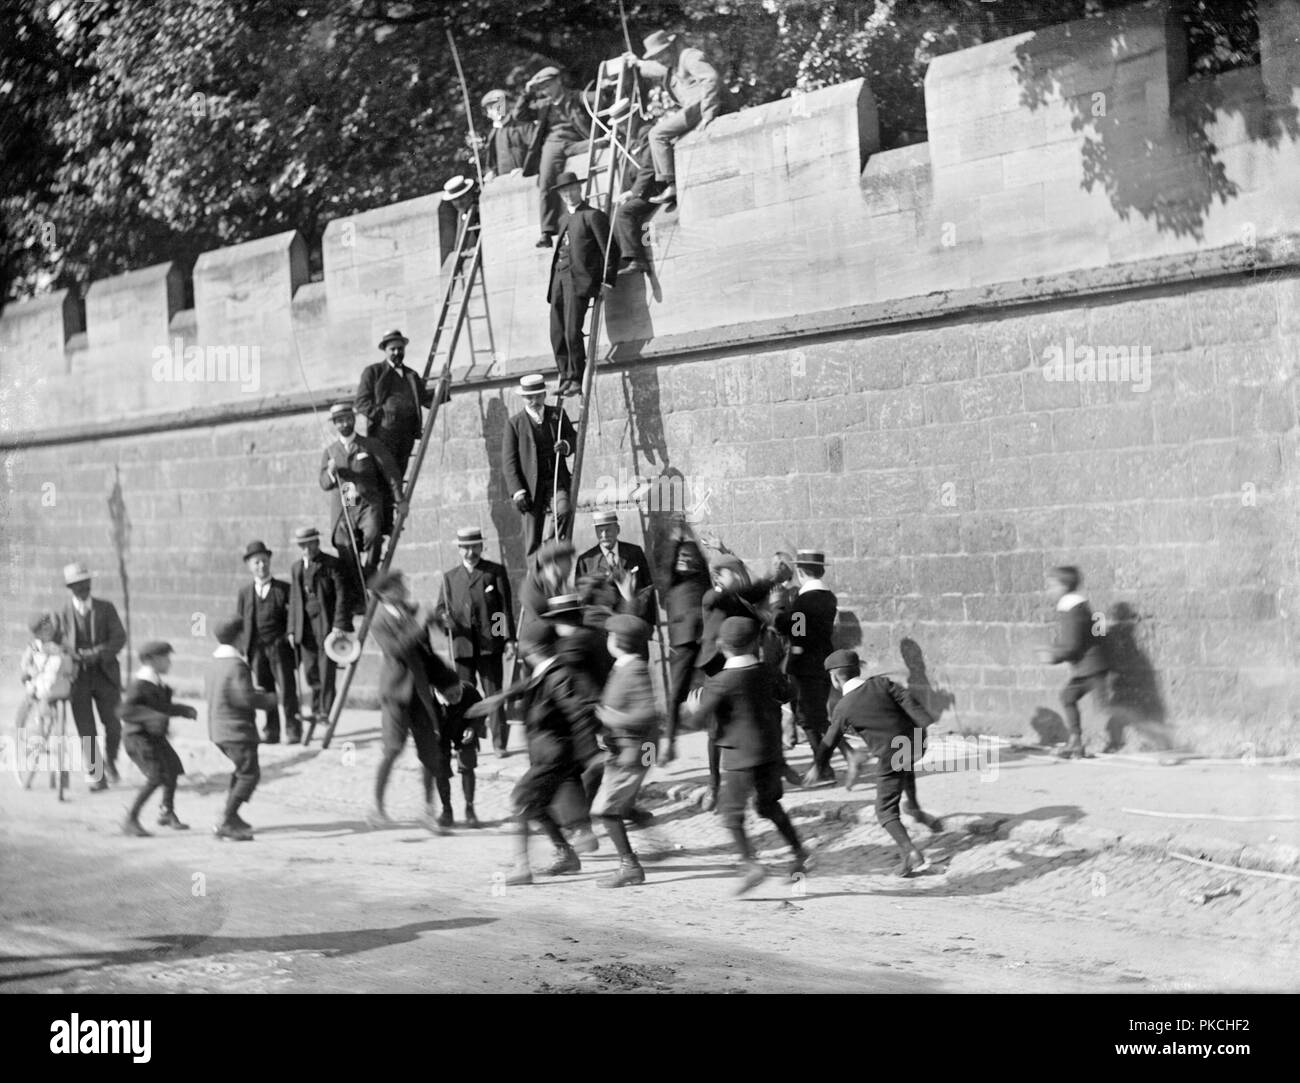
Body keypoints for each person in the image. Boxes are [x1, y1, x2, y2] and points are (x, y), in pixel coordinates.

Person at [694, 617, 807, 894]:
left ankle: (751, 864)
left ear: (721, 646)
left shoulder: (719, 682)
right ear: (756, 643)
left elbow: (699, 719)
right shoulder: (767, 672)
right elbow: (789, 690)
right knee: (768, 806)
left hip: (740, 759)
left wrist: (691, 705)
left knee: (732, 815)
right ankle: (798, 851)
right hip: (770, 754)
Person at [807, 650, 940, 876]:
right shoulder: (883, 684)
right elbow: (916, 709)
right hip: (915, 743)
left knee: (885, 811)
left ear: (834, 678)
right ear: (858, 670)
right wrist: (923, 731)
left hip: (890, 755)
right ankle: (916, 809)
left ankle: (911, 853)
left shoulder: (843, 708)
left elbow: (828, 743)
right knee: (904, 767)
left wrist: (818, 766)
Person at [695, 553, 791, 808]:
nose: (738, 577)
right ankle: (714, 785)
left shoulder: (743, 598)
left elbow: (757, 598)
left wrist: (773, 583)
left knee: (769, 715)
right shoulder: (713, 597)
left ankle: (777, 771)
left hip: (747, 668)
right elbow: (725, 596)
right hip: (718, 669)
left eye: (738, 572)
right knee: (716, 729)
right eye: (731, 573)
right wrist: (771, 577)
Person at [367, 569, 461, 831]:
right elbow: (397, 650)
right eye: (398, 585)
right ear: (385, 593)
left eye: (402, 582)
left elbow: (427, 648)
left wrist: (442, 622)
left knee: (430, 754)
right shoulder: (379, 621)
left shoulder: (412, 611)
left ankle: (429, 811)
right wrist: (419, 623)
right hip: (395, 694)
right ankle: (377, 807)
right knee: (393, 749)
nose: (404, 587)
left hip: (420, 692)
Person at [504, 622, 592, 885]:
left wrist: (590, 752)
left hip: (554, 754)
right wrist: (500, 697)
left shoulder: (558, 675)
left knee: (520, 801)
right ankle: (567, 856)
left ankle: (522, 868)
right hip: (547, 753)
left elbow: (577, 712)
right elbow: (530, 686)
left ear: (534, 649)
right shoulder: (545, 671)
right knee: (538, 807)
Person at [590, 614, 660, 888]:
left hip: (633, 753)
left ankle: (630, 866)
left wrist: (612, 720)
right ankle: (655, 841)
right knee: (620, 803)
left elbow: (647, 713)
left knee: (606, 810)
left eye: (610, 635)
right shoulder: (623, 666)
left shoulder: (635, 669)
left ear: (618, 641)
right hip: (621, 750)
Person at [433, 526, 515, 756]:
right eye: (466, 548)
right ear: (459, 550)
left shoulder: (494, 572)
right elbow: (440, 609)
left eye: (474, 547)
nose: (470, 552)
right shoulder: (449, 578)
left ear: (481, 546)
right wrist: (444, 619)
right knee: (460, 698)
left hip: (490, 648)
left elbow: (501, 610)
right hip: (462, 645)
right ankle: (466, 741)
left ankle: (500, 744)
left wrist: (504, 639)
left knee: (494, 695)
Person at [627, 29, 725, 206]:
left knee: (656, 134)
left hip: (699, 107)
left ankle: (671, 184)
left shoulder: (689, 56)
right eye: (655, 57)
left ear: (670, 48)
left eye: (661, 54)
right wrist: (638, 63)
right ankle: (670, 182)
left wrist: (708, 113)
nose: (659, 59)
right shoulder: (671, 65)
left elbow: (710, 78)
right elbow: (655, 68)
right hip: (693, 109)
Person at [321, 401, 403, 607]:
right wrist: (331, 472)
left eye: (347, 419)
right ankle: (359, 594)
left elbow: (390, 472)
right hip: (346, 504)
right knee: (346, 549)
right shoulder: (330, 451)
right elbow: (323, 483)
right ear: (335, 425)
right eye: (339, 421)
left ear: (354, 419)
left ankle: (370, 573)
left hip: (368, 502)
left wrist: (399, 499)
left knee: (373, 535)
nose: (344, 424)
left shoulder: (370, 445)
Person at [546, 171, 618, 396]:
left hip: (579, 281)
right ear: (560, 194)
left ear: (579, 190)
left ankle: (576, 377)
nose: (568, 194)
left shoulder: (593, 215)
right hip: (559, 278)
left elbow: (610, 250)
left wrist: (607, 281)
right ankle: (565, 376)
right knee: (556, 332)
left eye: (572, 189)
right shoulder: (563, 219)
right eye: (564, 191)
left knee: (571, 330)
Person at [207, 616, 278, 841]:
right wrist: (271, 700)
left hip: (219, 728)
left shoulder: (215, 662)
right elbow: (244, 698)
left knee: (241, 771)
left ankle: (232, 814)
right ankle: (227, 819)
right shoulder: (237, 664)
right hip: (236, 730)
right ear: (240, 636)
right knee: (249, 774)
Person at [118, 641, 198, 837]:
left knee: (172, 768)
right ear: (151, 660)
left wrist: (181, 710)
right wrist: (156, 717)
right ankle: (131, 819)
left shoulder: (155, 681)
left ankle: (166, 811)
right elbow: (125, 711)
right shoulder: (140, 684)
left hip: (153, 737)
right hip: (137, 738)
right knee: (156, 777)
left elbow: (161, 707)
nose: (169, 661)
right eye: (165, 658)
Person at [772, 549, 839, 781]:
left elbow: (796, 633)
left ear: (800, 572)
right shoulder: (829, 597)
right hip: (824, 660)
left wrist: (779, 610)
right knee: (817, 716)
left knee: (806, 717)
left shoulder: (803, 601)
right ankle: (825, 765)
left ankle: (825, 766)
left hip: (805, 664)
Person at [61, 561, 126, 790]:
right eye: (77, 584)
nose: (83, 588)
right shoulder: (62, 613)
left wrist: (98, 653)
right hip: (77, 678)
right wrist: (73, 654)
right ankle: (97, 776)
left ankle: (110, 762)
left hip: (105, 675)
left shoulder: (106, 608)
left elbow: (119, 638)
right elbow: (54, 642)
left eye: (85, 582)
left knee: (114, 724)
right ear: (69, 587)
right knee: (86, 729)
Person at [517, 66, 596, 247]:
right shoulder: (543, 105)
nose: (545, 90)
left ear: (558, 81)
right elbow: (519, 114)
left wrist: (605, 87)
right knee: (546, 182)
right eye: (542, 88)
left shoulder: (574, 96)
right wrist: (526, 93)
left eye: (548, 85)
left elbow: (595, 98)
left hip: (577, 142)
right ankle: (546, 231)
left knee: (603, 144)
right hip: (554, 144)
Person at [1037, 565, 1109, 759]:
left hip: (1090, 668)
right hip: (1092, 666)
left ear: (1064, 586)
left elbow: (1072, 644)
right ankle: (1076, 742)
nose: (1049, 591)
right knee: (1069, 698)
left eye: (1052, 586)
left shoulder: (1070, 608)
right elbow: (1094, 632)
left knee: (1107, 708)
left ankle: (1154, 731)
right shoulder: (1080, 606)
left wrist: (1053, 656)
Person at [502, 373, 577, 557]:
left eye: (537, 396)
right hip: (530, 488)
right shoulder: (514, 424)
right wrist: (518, 492)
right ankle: (536, 573)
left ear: (544, 395)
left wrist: (566, 445)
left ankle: (549, 550)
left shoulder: (557, 415)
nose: (534, 401)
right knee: (531, 536)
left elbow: (574, 438)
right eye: (529, 397)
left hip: (555, 481)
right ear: (523, 398)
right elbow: (509, 462)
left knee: (564, 511)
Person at [235, 540, 300, 744]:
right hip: (256, 649)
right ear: (249, 566)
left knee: (288, 689)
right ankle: (272, 730)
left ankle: (293, 729)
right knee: (265, 691)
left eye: (264, 561)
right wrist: (242, 647)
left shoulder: (284, 589)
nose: (261, 566)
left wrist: (289, 635)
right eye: (256, 563)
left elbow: (294, 617)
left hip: (279, 648)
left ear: (269, 561)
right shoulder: (244, 593)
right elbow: (240, 622)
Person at [657, 523, 710, 763]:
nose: (684, 560)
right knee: (677, 691)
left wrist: (691, 539)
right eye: (680, 557)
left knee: (721, 685)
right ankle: (669, 741)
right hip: (684, 642)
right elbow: (667, 566)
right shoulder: (672, 583)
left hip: (707, 638)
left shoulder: (701, 580)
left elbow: (702, 561)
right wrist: (676, 540)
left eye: (688, 557)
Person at [288, 526, 351, 724]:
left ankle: (325, 711)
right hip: (304, 624)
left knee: (326, 668)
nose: (307, 549)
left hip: (326, 622)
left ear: (317, 543)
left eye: (310, 544)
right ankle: (315, 709)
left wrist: (339, 623)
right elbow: (294, 600)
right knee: (310, 669)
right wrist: (291, 629)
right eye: (302, 546)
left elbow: (342, 595)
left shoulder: (332, 564)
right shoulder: (297, 568)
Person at [354, 329, 435, 480]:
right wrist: (383, 416)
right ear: (385, 350)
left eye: (400, 349)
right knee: (384, 476)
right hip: (384, 434)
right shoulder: (373, 372)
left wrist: (444, 388)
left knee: (399, 473)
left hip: (407, 434)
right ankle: (385, 504)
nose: (397, 352)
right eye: (393, 349)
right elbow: (361, 402)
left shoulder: (411, 375)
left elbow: (425, 399)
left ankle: (396, 503)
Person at [575, 508, 657, 626]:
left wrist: (649, 622)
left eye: (608, 530)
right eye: (600, 530)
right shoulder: (586, 560)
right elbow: (582, 599)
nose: (604, 535)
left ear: (617, 529)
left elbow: (648, 587)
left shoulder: (634, 552)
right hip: (603, 627)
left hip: (634, 622)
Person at [433, 678, 485, 828]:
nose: (457, 697)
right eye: (451, 695)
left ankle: (470, 809)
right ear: (439, 693)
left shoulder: (468, 690)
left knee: (467, 765)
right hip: (439, 732)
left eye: (458, 693)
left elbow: (481, 711)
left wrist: (473, 728)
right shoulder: (428, 696)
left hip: (463, 729)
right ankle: (446, 810)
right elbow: (418, 718)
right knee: (440, 769)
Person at [15, 611, 75, 736]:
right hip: (39, 685)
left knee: (49, 717)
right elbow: (25, 661)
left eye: (48, 627)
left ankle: (44, 739)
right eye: (41, 631)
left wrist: (63, 656)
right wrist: (30, 671)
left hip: (56, 686)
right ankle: (22, 736)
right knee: (24, 710)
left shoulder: (61, 642)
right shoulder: (35, 645)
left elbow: (71, 659)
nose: (47, 632)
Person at [480, 88, 533, 181]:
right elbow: (491, 161)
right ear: (488, 113)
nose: (496, 109)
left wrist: (525, 169)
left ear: (507, 105)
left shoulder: (521, 125)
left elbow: (535, 150)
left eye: (499, 105)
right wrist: (491, 173)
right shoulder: (493, 134)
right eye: (491, 107)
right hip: (504, 183)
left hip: (527, 179)